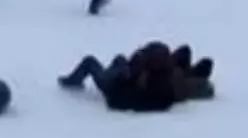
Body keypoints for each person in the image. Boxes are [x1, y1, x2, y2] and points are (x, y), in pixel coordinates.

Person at [58, 42, 214, 112]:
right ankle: (117, 64)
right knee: (119, 60)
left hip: (114, 88)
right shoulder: (169, 80)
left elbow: (121, 98)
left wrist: (128, 72)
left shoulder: (144, 80)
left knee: (91, 61)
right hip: (128, 82)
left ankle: (71, 82)